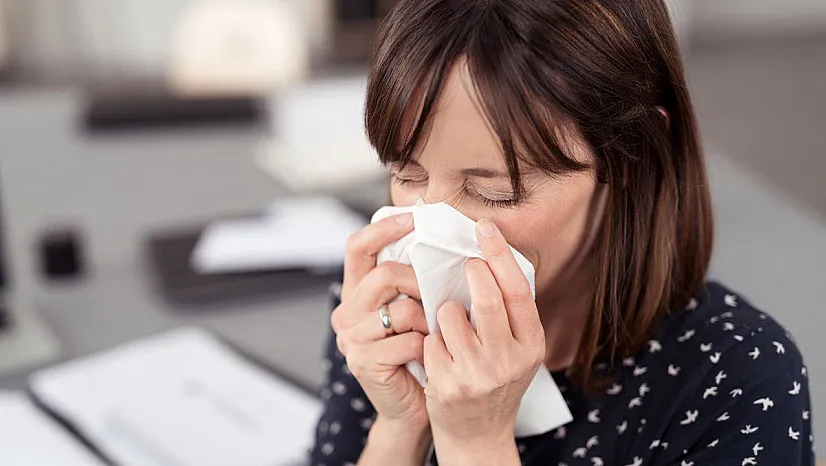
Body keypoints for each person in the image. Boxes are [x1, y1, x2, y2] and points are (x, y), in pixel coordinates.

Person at [310, 0, 814, 464]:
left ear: (631, 157)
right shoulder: (384, 304)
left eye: (496, 193)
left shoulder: (735, 377)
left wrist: (475, 442)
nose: (431, 229)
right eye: (407, 175)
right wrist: (401, 425)